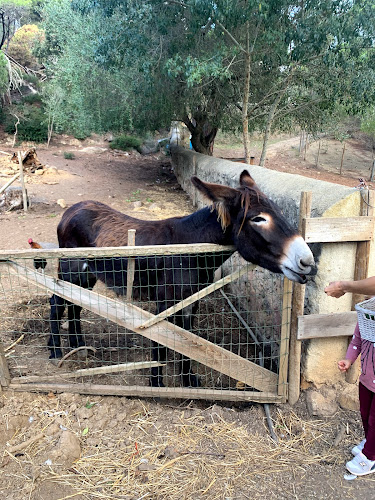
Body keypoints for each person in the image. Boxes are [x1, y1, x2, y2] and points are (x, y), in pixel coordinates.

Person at [325, 277, 375, 476]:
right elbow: (357, 341)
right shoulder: (367, 320)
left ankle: (370, 458)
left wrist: (344, 286)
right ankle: (370, 442)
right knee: (364, 414)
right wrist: (349, 360)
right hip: (366, 379)